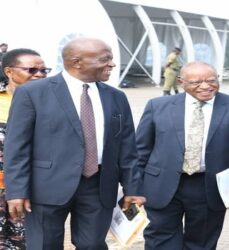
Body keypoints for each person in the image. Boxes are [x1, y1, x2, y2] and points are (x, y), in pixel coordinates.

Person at [3, 37, 145, 250]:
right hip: (46, 186)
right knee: (44, 245)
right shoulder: (32, 93)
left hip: (99, 185)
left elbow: (127, 146)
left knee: (93, 245)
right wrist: (16, 191)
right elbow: (17, 146)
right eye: (105, 59)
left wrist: (133, 188)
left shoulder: (116, 97)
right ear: (77, 62)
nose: (112, 64)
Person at [136, 61, 229, 249]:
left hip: (209, 186)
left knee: (202, 242)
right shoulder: (157, 106)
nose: (205, 86)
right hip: (161, 183)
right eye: (196, 82)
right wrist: (133, 186)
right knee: (160, 240)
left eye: (211, 80)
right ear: (181, 82)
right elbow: (141, 150)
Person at [0, 48, 50, 249]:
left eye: (44, 70)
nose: (38, 75)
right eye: (31, 70)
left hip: (28, 189)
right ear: (9, 72)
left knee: (26, 242)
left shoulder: (52, 104)